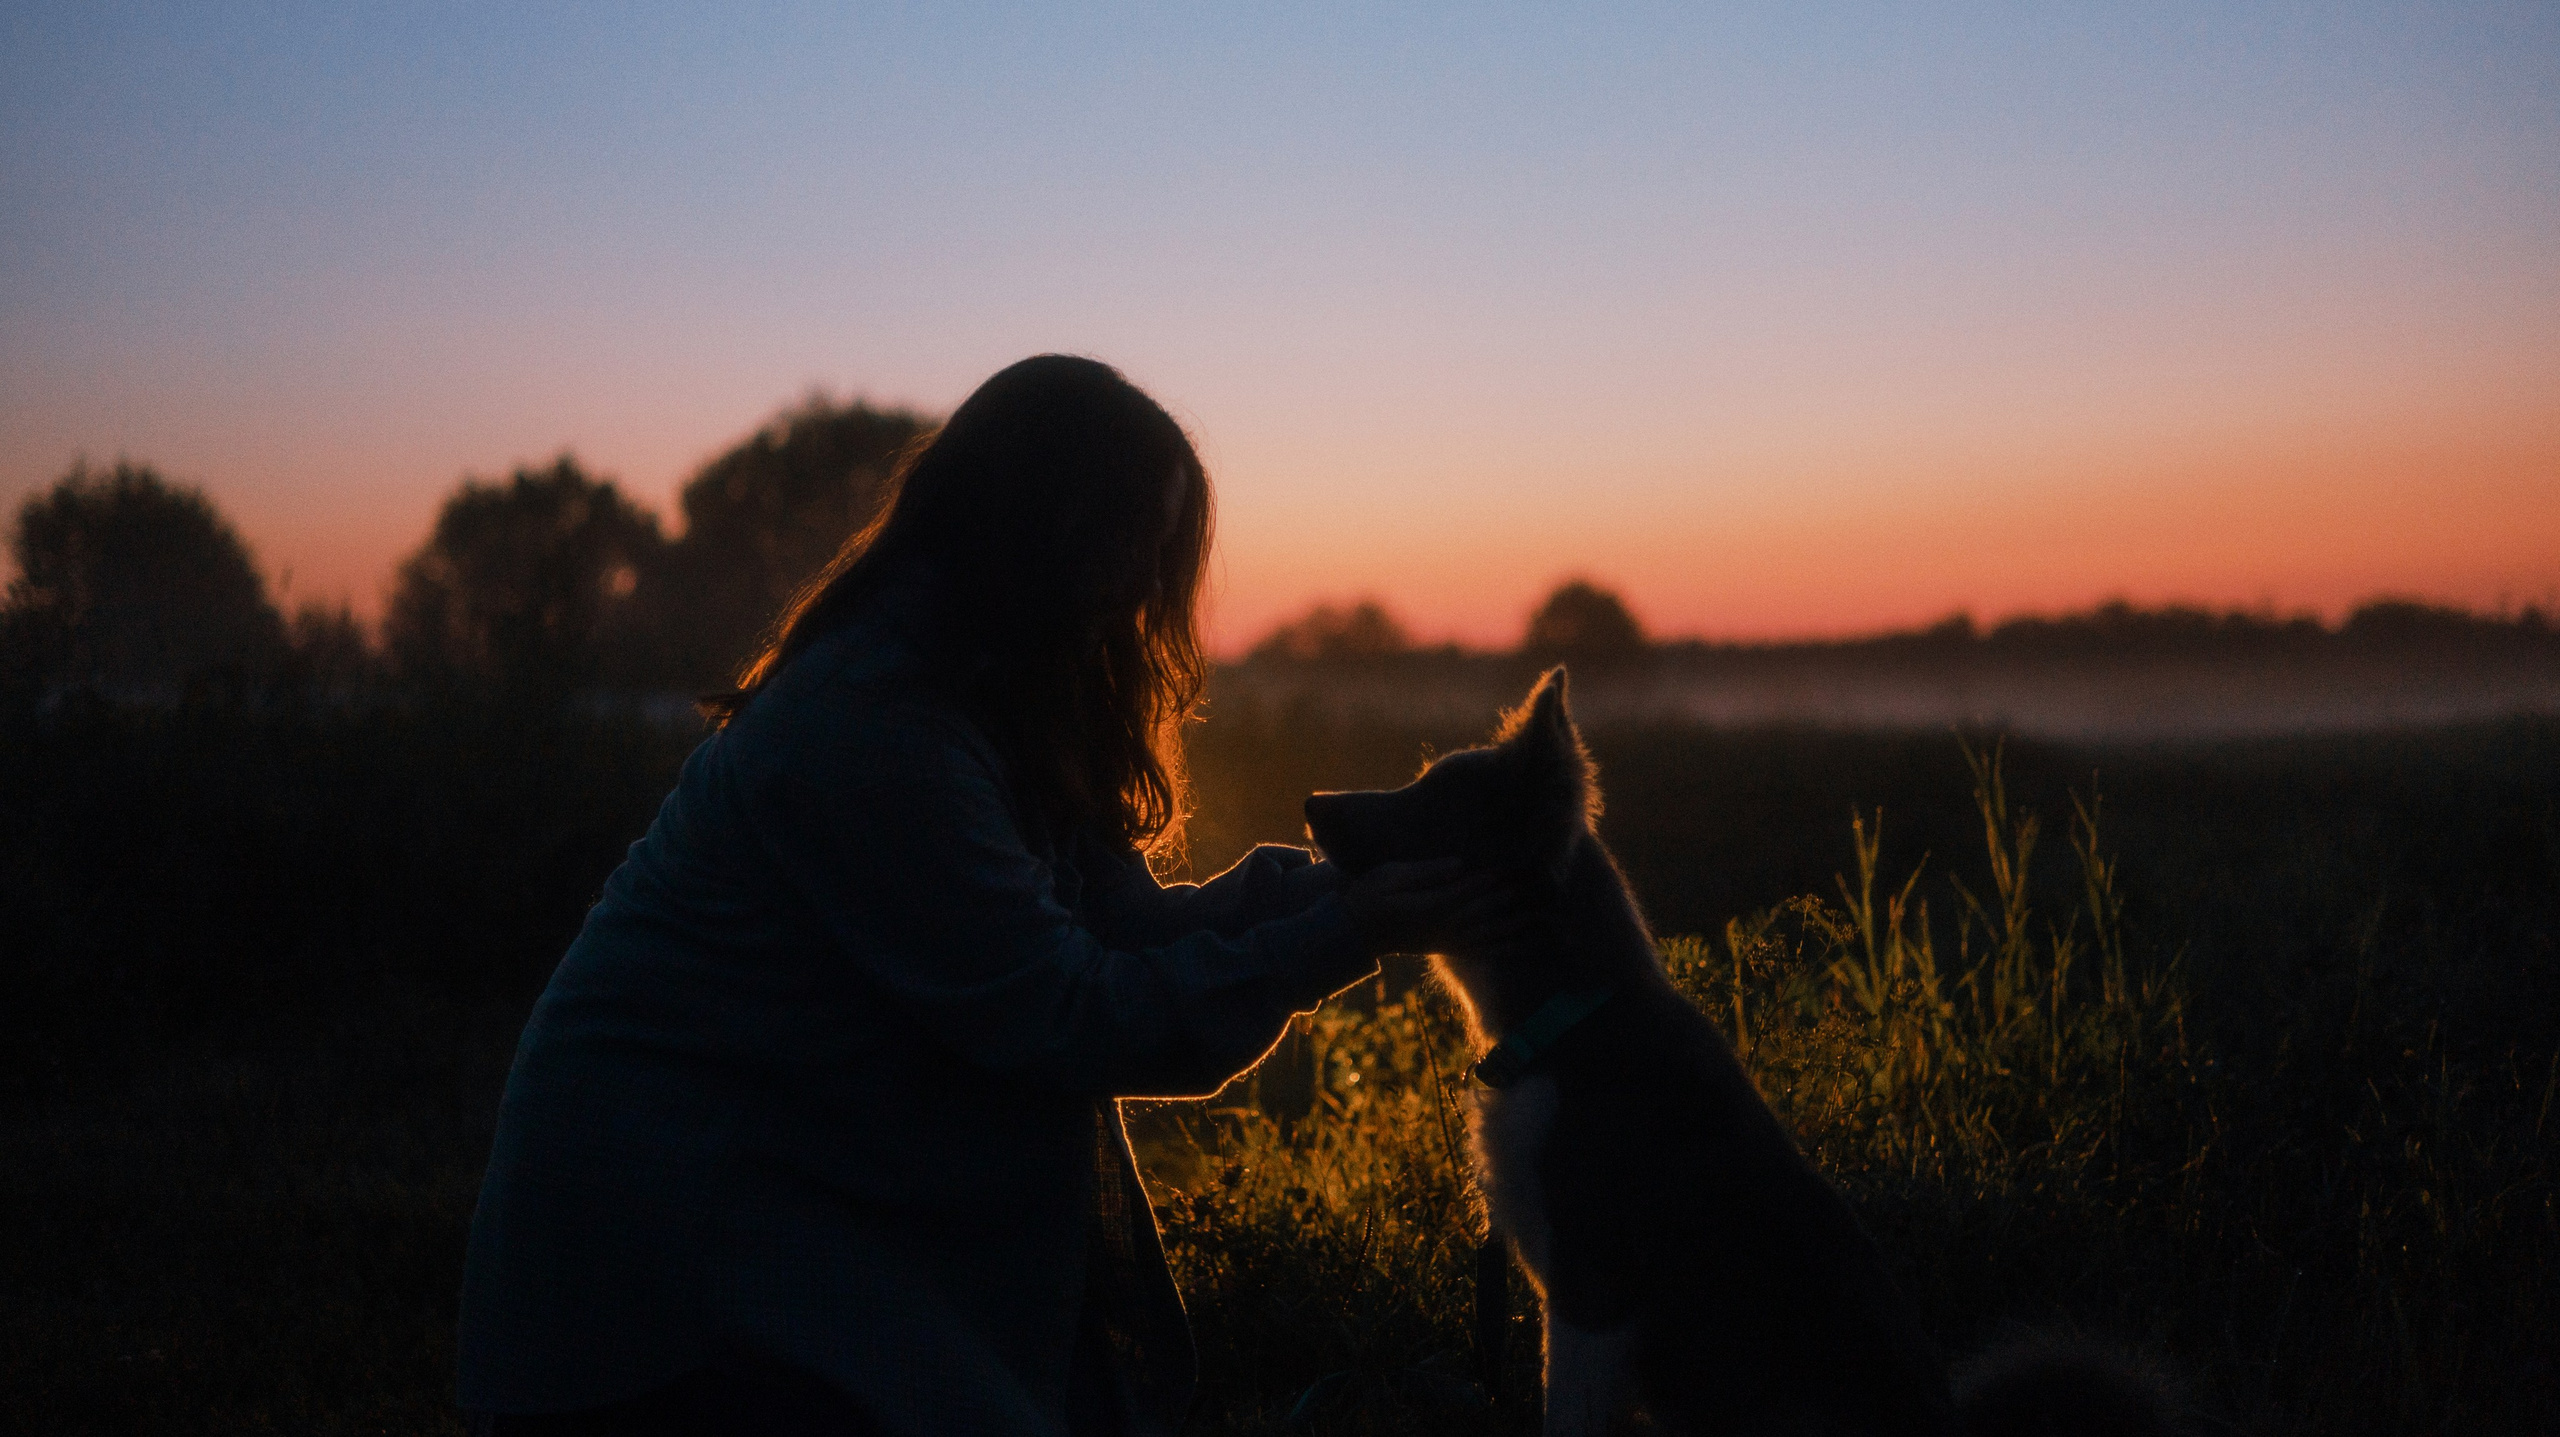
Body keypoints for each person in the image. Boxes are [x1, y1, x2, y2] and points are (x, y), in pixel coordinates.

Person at [456, 355, 1530, 1436]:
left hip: (787, 1218)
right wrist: (1353, 928)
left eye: (1162, 552)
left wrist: (1347, 888)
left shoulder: (991, 696)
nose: (1142, 585)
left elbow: (1124, 928)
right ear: (1037, 527)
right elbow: (1069, 1016)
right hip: (667, 1257)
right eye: (1131, 542)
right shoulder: (872, 726)